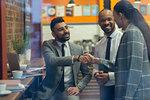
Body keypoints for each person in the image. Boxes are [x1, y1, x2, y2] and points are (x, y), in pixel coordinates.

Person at [80, 0, 150, 100]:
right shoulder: (129, 32)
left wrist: (127, 97)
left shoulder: (132, 32)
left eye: (113, 16)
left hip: (135, 95)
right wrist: (96, 61)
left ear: (119, 15)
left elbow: (134, 71)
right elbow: (121, 67)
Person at [33, 17, 92, 100]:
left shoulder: (78, 49)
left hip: (69, 89)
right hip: (49, 90)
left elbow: (87, 74)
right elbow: (52, 61)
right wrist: (75, 58)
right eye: (61, 29)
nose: (66, 31)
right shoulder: (48, 45)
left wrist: (78, 87)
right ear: (53, 34)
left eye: (66, 27)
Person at [93, 9, 122, 100]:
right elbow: (95, 67)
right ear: (99, 23)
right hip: (104, 88)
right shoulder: (98, 45)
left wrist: (109, 76)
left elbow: (126, 68)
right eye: (102, 20)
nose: (106, 22)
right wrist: (96, 74)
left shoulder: (123, 40)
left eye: (109, 19)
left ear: (114, 20)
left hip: (120, 86)